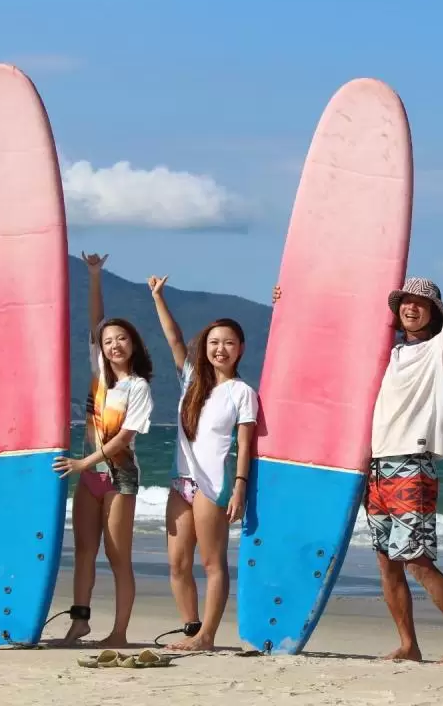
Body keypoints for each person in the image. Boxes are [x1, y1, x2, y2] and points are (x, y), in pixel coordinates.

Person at [271, 217, 443, 665]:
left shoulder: (438, 352)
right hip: (375, 467)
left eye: (422, 303)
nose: (412, 308)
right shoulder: (384, 354)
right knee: (387, 563)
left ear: (434, 312)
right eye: (406, 302)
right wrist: (286, 306)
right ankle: (409, 644)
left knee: (417, 561)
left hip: (411, 462)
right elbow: (327, 337)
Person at [147, 274, 258, 651]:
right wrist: (158, 297)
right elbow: (174, 339)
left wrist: (240, 485)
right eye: (214, 343)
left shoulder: (243, 392)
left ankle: (207, 636)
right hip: (182, 482)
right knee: (177, 565)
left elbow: (245, 444)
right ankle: (192, 629)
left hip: (214, 485)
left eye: (228, 343)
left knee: (213, 564)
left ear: (240, 348)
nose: (220, 349)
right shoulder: (192, 380)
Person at [53, 252, 154, 649]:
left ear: (132, 344)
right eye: (109, 341)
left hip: (118, 479)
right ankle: (79, 624)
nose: (113, 345)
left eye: (121, 339)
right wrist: (94, 276)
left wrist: (84, 462)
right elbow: (96, 324)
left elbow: (123, 438)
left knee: (117, 557)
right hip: (89, 477)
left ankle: (120, 632)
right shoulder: (100, 377)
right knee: (83, 553)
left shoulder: (139, 387)